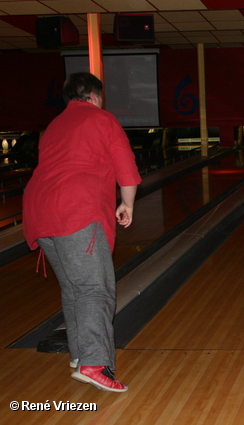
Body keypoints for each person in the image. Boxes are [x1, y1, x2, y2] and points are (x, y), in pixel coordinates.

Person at [23, 72, 142, 392]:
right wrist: (127, 204)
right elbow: (126, 168)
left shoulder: (53, 126)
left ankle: (79, 356)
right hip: (76, 210)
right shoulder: (103, 119)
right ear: (95, 96)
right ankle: (94, 363)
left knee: (75, 288)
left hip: (37, 211)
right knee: (95, 289)